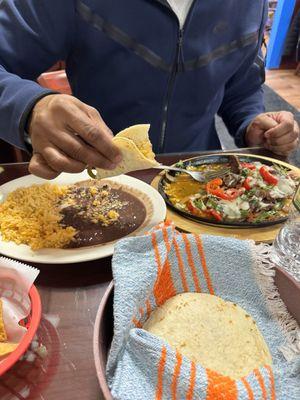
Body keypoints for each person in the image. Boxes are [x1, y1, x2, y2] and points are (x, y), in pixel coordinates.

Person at [0, 0, 298, 179]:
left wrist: (251, 122)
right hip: (97, 178)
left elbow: (241, 81)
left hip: (197, 180)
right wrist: (29, 108)